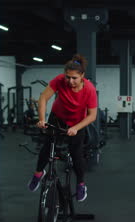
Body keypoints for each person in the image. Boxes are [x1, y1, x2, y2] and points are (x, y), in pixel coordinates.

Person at [28, 54, 98, 202]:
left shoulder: (89, 90)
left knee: (76, 153)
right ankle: (38, 173)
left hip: (77, 122)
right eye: (68, 77)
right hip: (57, 117)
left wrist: (76, 128)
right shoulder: (59, 80)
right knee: (47, 147)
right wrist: (41, 119)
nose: (70, 81)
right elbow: (43, 98)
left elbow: (92, 116)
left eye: (74, 78)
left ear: (82, 76)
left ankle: (80, 184)